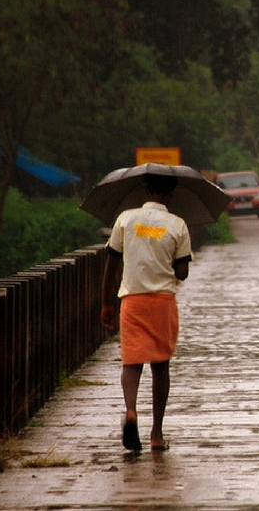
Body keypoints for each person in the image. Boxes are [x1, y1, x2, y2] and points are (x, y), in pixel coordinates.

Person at [100, 173, 192, 453]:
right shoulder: (177, 224)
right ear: (171, 194)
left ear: (146, 189)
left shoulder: (126, 219)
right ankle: (157, 434)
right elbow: (183, 272)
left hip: (132, 300)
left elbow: (112, 264)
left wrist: (106, 303)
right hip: (162, 301)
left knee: (132, 360)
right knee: (160, 364)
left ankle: (130, 410)